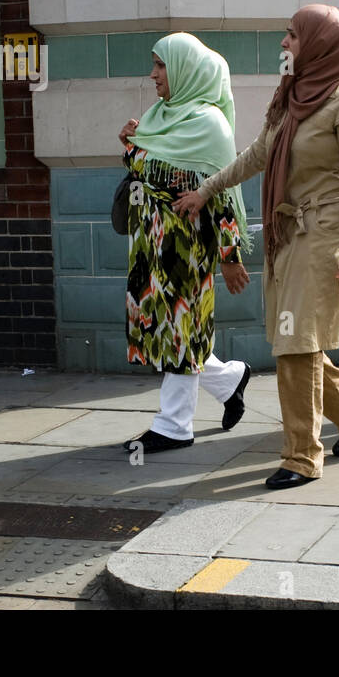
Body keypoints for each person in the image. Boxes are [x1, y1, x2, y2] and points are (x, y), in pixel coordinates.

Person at [173, 5, 339, 490]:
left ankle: (302, 457)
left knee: (295, 345)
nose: (283, 43)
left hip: (327, 230)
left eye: (292, 35)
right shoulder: (293, 97)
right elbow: (257, 155)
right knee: (295, 340)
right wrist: (206, 190)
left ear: (320, 44)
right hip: (289, 233)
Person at [118, 33, 253, 454]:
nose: (154, 74)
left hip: (186, 251)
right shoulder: (159, 115)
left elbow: (224, 194)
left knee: (178, 329)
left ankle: (174, 425)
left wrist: (230, 257)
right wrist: (130, 145)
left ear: (185, 70)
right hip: (148, 248)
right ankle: (229, 380)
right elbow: (147, 169)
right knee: (170, 331)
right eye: (154, 65)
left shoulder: (209, 124)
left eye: (161, 66)